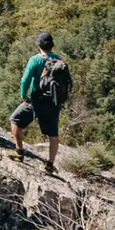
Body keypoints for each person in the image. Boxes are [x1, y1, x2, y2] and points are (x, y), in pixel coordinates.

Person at [9, 31, 70, 173]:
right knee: (53, 134)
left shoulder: (35, 60)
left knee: (15, 120)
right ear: (52, 45)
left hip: (37, 99)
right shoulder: (60, 60)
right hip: (54, 102)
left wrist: (24, 95)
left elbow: (25, 80)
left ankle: (19, 152)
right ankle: (49, 165)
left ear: (39, 45)